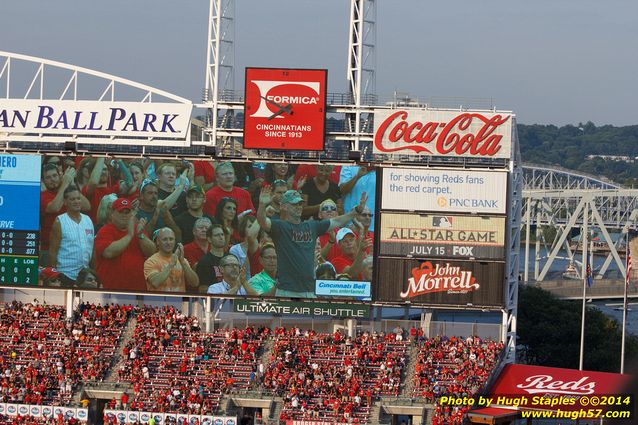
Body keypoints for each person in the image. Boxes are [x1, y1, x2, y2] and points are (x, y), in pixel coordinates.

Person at [257, 186, 367, 298]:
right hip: (286, 289)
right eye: (294, 204)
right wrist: (262, 205)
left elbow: (337, 220)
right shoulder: (280, 226)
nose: (299, 207)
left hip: (309, 290)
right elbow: (262, 221)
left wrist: (355, 211)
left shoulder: (312, 226)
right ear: (284, 206)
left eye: (300, 204)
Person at [95, 198, 155, 291]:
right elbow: (108, 253)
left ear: (132, 214)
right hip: (111, 290)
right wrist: (130, 235)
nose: (124, 215)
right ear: (112, 214)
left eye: (127, 212)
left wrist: (140, 235)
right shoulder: (105, 230)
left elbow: (151, 252)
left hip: (137, 290)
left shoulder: (137, 229)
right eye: (121, 212)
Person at [40, 163, 90, 263]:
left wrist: (71, 182)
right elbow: (55, 207)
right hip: (49, 249)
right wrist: (65, 183)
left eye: (55, 176)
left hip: (70, 249)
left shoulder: (69, 191)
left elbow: (86, 206)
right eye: (48, 177)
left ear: (60, 176)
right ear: (43, 181)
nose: (52, 179)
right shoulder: (42, 196)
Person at [48, 185, 95, 284]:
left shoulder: (88, 220)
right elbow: (53, 252)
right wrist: (56, 276)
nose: (77, 201)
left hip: (84, 276)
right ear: (65, 202)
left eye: (78, 198)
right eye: (72, 199)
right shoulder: (60, 221)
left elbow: (92, 248)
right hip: (65, 274)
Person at [144, 227, 199, 292]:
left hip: (179, 301)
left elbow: (195, 283)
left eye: (171, 239)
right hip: (158, 301)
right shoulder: (151, 261)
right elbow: (155, 283)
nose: (168, 242)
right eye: (165, 239)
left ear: (175, 241)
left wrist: (183, 262)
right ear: (158, 242)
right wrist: (171, 264)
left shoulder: (182, 260)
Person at [339, 165, 376, 231]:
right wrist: (357, 176)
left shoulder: (381, 167)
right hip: (352, 223)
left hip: (373, 225)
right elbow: (342, 190)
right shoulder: (348, 166)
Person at [195, 224, 228, 292]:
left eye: (222, 234)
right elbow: (202, 289)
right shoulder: (204, 261)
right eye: (217, 235)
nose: (221, 237)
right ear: (209, 239)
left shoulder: (230, 258)